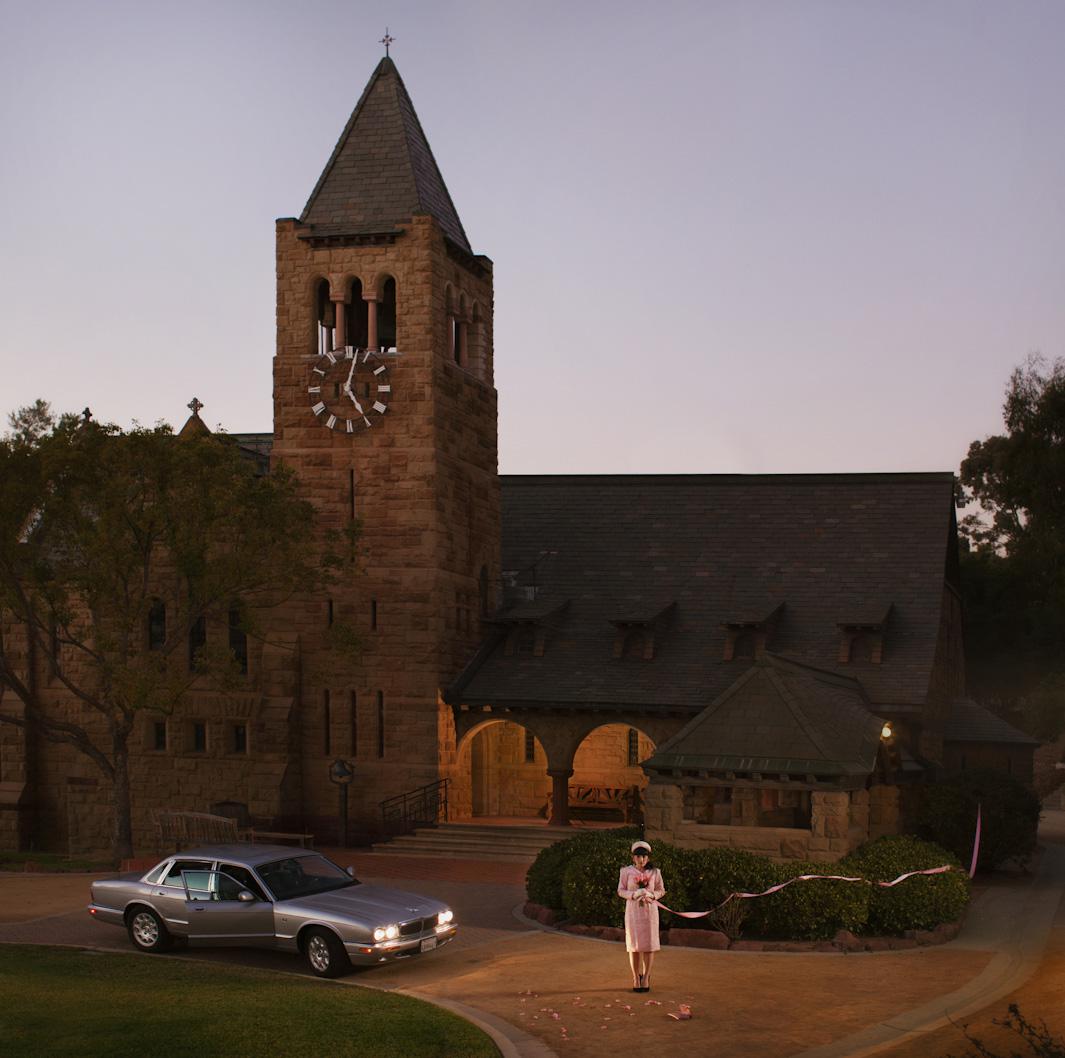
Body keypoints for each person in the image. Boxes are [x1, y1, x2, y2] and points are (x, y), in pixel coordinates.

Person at [617, 839, 664, 992]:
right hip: (633, 912)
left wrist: (652, 895)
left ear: (648, 857)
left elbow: (661, 890)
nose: (641, 859)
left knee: (649, 946)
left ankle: (646, 977)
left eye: (644, 856)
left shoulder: (655, 872)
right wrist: (633, 894)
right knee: (634, 947)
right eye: (638, 856)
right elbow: (621, 890)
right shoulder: (626, 871)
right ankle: (636, 977)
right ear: (633, 857)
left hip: (649, 913)